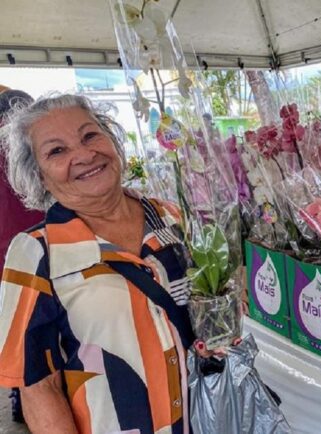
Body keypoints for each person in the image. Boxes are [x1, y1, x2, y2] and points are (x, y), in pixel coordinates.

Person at [0, 94, 198, 434]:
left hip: (208, 419)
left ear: (113, 140)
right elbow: (39, 387)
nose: (84, 154)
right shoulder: (36, 253)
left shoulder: (172, 217)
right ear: (40, 176)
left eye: (90, 135)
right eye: (57, 151)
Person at [0, 87, 44, 424]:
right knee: (41, 329)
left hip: (7, 257)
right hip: (42, 249)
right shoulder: (34, 148)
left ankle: (19, 398)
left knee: (16, 330)